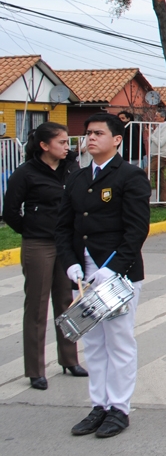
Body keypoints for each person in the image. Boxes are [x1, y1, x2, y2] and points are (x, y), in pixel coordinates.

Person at [55, 112, 151, 438]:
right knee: (93, 343)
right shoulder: (77, 178)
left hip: (117, 274)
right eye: (88, 133)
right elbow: (64, 227)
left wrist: (113, 269)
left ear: (117, 139)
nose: (91, 138)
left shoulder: (130, 176)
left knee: (119, 342)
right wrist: (70, 263)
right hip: (83, 275)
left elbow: (136, 229)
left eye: (98, 133)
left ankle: (119, 409)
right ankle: (99, 405)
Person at [2, 122, 86, 390]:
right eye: (61, 142)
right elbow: (11, 211)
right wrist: (31, 230)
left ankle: (69, 359)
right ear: (44, 145)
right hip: (38, 243)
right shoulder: (25, 173)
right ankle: (35, 369)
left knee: (67, 302)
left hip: (66, 244)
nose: (67, 146)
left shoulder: (72, 167)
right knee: (37, 306)